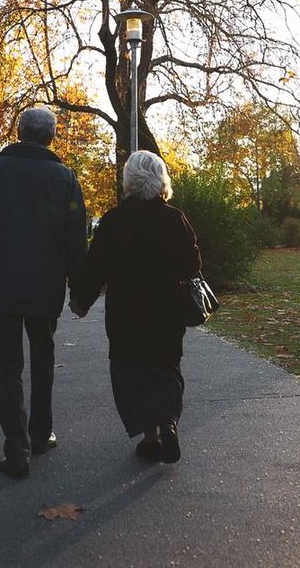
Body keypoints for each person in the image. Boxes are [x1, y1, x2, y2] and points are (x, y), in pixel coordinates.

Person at [0, 107, 88, 478]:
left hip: (0, 283)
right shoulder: (65, 178)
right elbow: (74, 239)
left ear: (19, 132)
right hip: (44, 285)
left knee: (5, 369)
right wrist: (78, 287)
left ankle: (16, 446)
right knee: (43, 361)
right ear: (50, 136)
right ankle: (39, 432)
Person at [69, 150, 201, 464]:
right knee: (166, 368)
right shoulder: (175, 218)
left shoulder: (115, 220)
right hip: (166, 312)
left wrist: (81, 300)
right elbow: (193, 263)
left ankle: (150, 437)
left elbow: (95, 265)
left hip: (126, 312)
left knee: (130, 372)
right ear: (161, 181)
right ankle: (168, 421)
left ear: (129, 181)